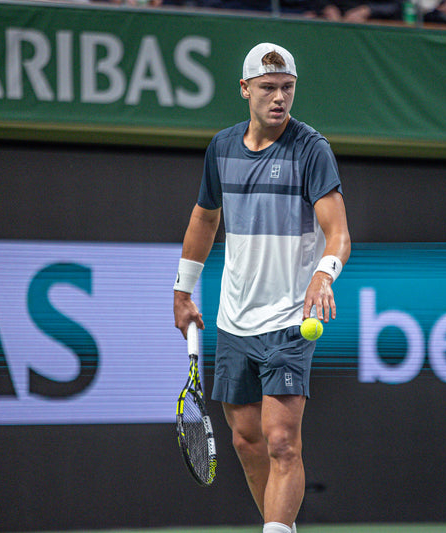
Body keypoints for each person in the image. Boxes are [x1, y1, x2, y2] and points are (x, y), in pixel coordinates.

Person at [173, 43, 351, 533]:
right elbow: (206, 218)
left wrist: (324, 272)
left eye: (287, 89)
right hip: (234, 321)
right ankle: (280, 527)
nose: (279, 99)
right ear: (245, 89)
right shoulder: (222, 148)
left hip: (290, 321)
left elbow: (337, 231)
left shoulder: (312, 149)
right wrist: (183, 291)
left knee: (281, 442)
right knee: (246, 442)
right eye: (269, 88)